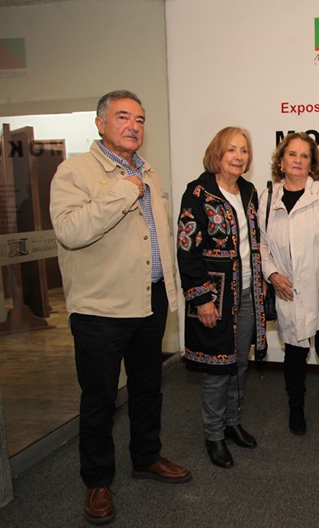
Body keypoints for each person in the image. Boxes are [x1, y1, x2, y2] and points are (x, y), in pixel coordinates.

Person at [49, 90, 190, 525]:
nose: (134, 126)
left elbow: (157, 238)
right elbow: (70, 231)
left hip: (149, 299)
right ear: (100, 124)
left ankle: (146, 456)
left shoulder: (148, 171)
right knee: (100, 399)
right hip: (101, 309)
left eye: (140, 119)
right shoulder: (74, 172)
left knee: (148, 388)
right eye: (123, 117)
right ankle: (97, 481)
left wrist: (170, 291)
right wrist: (123, 191)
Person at [176, 127, 266, 469]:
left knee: (239, 362)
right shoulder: (197, 193)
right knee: (217, 367)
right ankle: (213, 434)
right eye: (231, 150)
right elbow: (187, 251)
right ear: (217, 153)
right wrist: (201, 299)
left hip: (247, 292)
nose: (238, 157)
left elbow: (254, 242)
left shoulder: (249, 191)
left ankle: (232, 422)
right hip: (215, 296)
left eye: (244, 150)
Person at [259, 132, 319, 437]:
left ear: (312, 163)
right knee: (295, 354)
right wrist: (272, 274)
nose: (298, 160)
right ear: (281, 161)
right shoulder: (268, 198)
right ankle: (296, 409)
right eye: (292, 154)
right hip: (288, 289)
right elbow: (263, 244)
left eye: (305, 156)